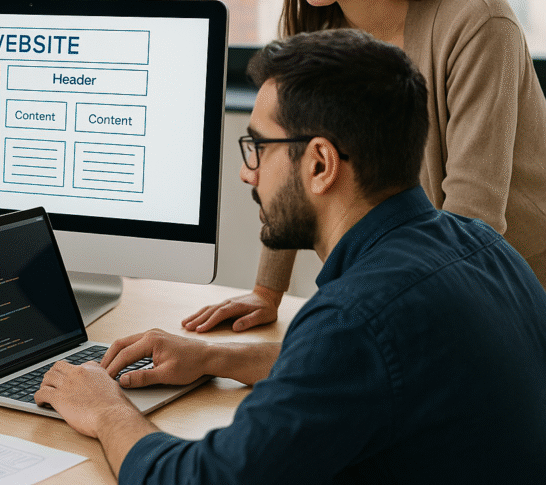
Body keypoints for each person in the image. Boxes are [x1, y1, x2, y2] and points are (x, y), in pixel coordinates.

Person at [35, 29, 546, 483]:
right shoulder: (483, 248)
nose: (248, 173)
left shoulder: (354, 320)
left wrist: (106, 410)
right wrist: (215, 356)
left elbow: (201, 478)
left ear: (320, 163)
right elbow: (372, 370)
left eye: (259, 147)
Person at [183, 0, 546, 334]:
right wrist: (267, 293)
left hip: (508, 299)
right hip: (416, 286)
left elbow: (473, 223)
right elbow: (289, 169)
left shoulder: (476, 19)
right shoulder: (318, 28)